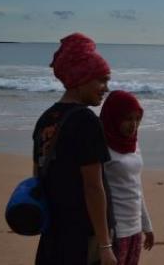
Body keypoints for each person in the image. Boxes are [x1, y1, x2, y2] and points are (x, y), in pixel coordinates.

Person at [33, 33, 117, 265]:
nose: (105, 88)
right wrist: (105, 245)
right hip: (82, 234)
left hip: (53, 230)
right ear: (82, 79)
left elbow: (38, 174)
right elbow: (93, 186)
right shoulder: (86, 121)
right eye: (101, 80)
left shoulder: (46, 118)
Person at [100, 90, 155, 265]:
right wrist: (103, 239)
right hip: (115, 230)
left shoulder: (133, 144)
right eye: (128, 119)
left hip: (135, 229)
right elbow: (94, 191)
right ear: (114, 117)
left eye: (137, 119)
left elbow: (136, 187)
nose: (134, 125)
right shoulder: (101, 148)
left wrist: (147, 226)